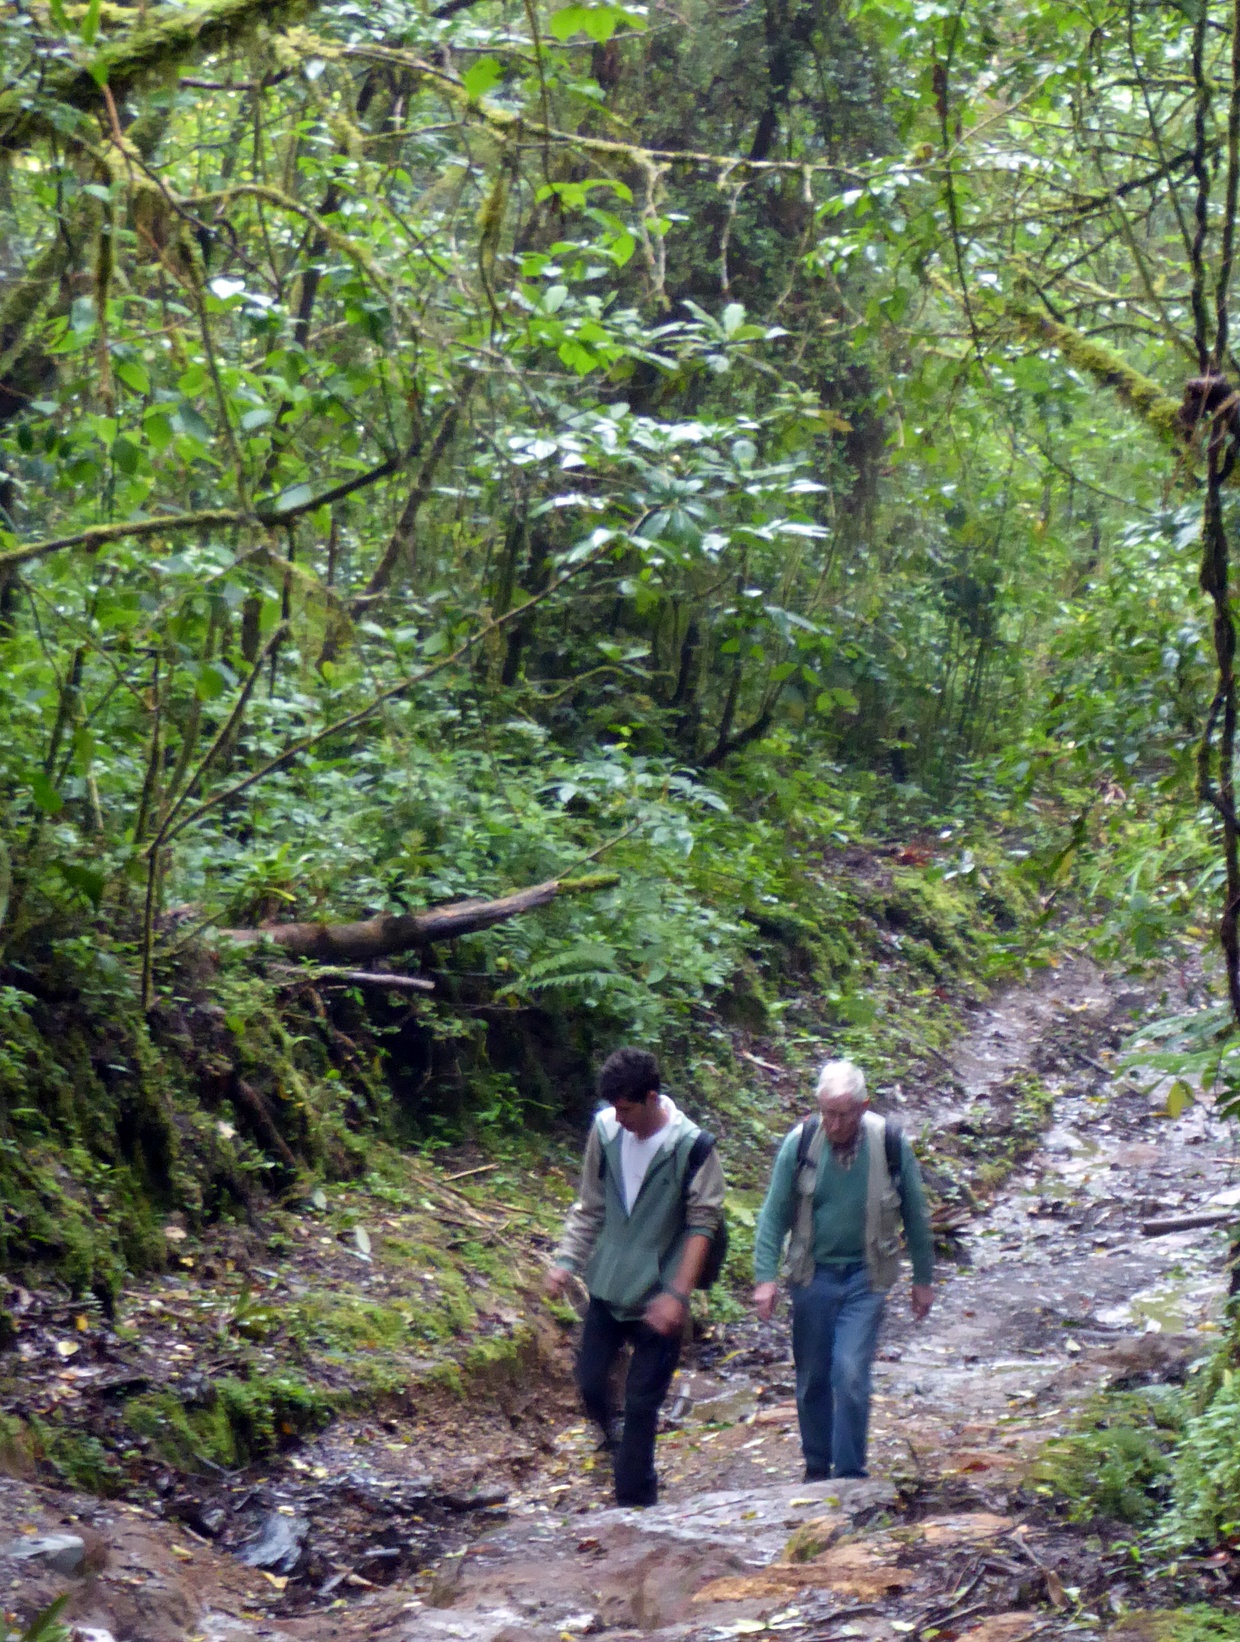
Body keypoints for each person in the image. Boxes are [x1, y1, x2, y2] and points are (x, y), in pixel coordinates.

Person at [546, 1046, 726, 1507]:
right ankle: (611, 1437)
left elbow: (702, 1225)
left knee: (643, 1406)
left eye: (625, 1109)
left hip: (658, 1299)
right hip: (608, 1286)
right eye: (613, 1109)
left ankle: (637, 1506)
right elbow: (591, 1204)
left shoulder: (693, 1148)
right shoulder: (605, 1131)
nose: (618, 1117)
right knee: (589, 1384)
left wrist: (676, 1295)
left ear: (650, 1097)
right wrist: (567, 1260)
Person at [751, 1059, 934, 1481]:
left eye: (843, 1114)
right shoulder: (799, 1145)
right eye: (826, 1113)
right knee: (813, 1376)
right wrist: (766, 1278)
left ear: (864, 1106)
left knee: (850, 1373)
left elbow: (916, 1214)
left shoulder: (888, 1142)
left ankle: (850, 1474)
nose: (833, 1124)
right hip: (811, 1277)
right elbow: (773, 1215)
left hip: (864, 1278)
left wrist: (923, 1279)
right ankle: (817, 1468)